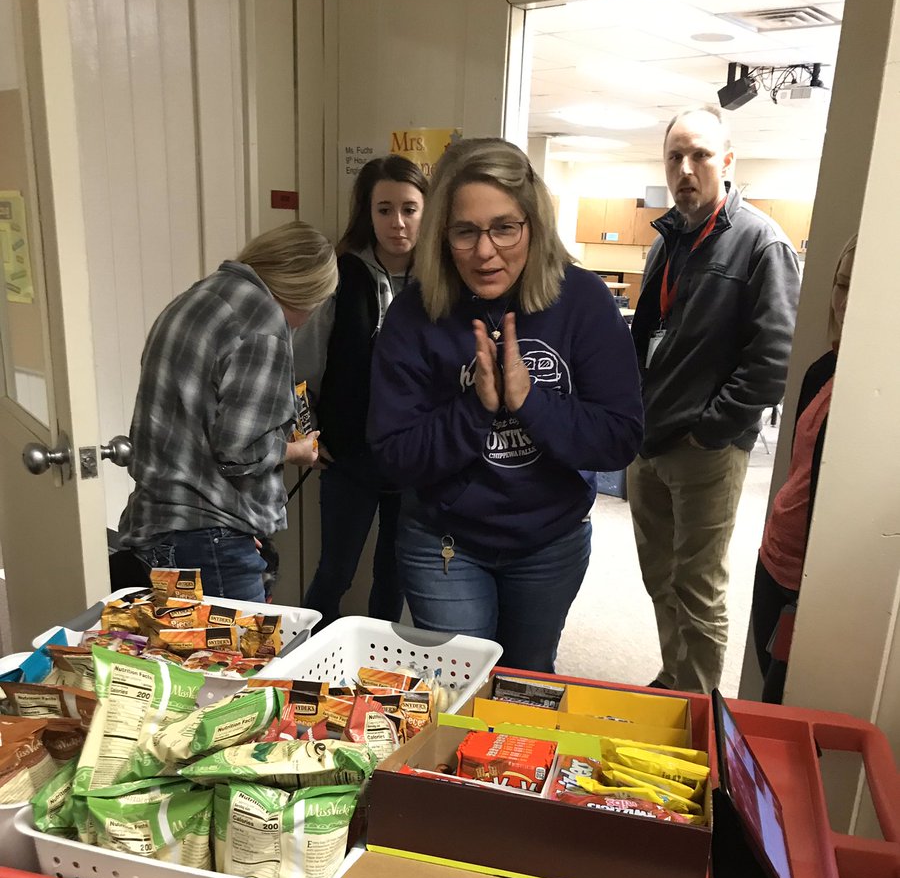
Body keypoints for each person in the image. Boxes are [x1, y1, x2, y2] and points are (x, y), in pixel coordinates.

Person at [367, 137, 643, 673]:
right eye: (465, 231)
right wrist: (476, 408)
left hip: (550, 542)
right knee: (459, 688)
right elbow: (393, 456)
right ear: (442, 236)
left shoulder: (582, 301)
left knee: (526, 682)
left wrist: (530, 402)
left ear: (533, 226)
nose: (485, 251)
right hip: (444, 542)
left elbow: (619, 439)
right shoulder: (414, 314)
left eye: (504, 228)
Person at [628, 106, 801, 694]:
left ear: (726, 161)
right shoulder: (668, 240)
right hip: (649, 440)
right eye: (674, 156)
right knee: (660, 576)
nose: (685, 168)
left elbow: (774, 358)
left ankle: (699, 702)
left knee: (698, 586)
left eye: (699, 154)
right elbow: (650, 337)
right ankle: (674, 677)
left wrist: (711, 428)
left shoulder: (760, 242)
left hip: (705, 449)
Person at [118, 221, 338, 602]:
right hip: (207, 539)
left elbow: (198, 425)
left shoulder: (199, 296)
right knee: (241, 644)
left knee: (181, 640)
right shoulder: (263, 324)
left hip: (155, 524)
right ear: (306, 293)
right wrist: (295, 452)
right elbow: (240, 451)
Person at [303, 155, 428, 628]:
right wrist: (306, 434)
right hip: (348, 456)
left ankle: (382, 664)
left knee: (396, 577)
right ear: (367, 213)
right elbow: (301, 367)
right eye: (384, 210)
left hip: (414, 459)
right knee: (334, 573)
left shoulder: (442, 282)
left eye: (409, 209)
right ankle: (310, 657)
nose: (398, 223)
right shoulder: (339, 275)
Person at [751, 235, 856, 705]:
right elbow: (799, 472)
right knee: (769, 693)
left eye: (863, 287)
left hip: (815, 585)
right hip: (775, 557)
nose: (847, 302)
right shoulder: (822, 370)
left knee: (787, 703)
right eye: (842, 285)